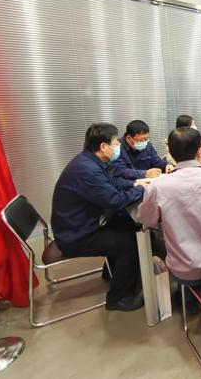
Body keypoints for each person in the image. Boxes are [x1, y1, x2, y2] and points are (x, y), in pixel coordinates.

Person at [51, 123, 145, 311]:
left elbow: (112, 181)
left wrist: (134, 184)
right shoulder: (88, 170)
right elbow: (115, 201)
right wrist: (142, 189)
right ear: (103, 146)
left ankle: (113, 273)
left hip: (84, 223)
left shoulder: (90, 161)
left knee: (130, 224)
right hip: (77, 234)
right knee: (129, 244)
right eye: (115, 142)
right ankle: (118, 299)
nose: (118, 145)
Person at [137, 127, 201, 284]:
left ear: (171, 154)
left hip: (188, 269)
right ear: (200, 152)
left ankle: (186, 294)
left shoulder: (158, 187)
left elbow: (146, 220)